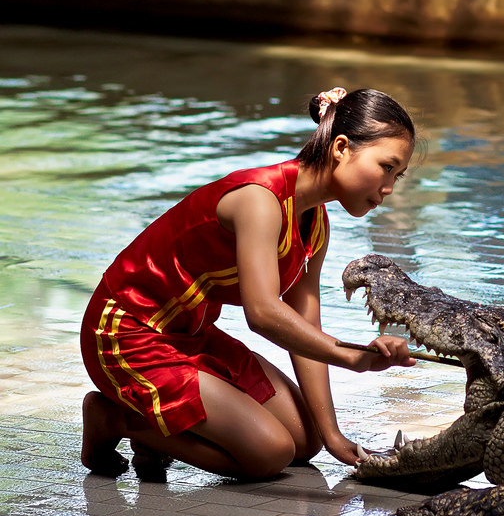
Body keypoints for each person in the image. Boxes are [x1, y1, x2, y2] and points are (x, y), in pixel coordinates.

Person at [79, 87, 416, 481]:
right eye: (386, 167)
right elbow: (263, 313)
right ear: (341, 147)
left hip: (191, 336)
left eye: (398, 174)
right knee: (270, 453)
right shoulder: (261, 200)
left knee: (305, 442)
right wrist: (351, 358)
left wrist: (333, 437)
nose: (389, 188)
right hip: (127, 333)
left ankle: (161, 431)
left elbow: (303, 322)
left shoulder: (316, 223)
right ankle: (114, 419)